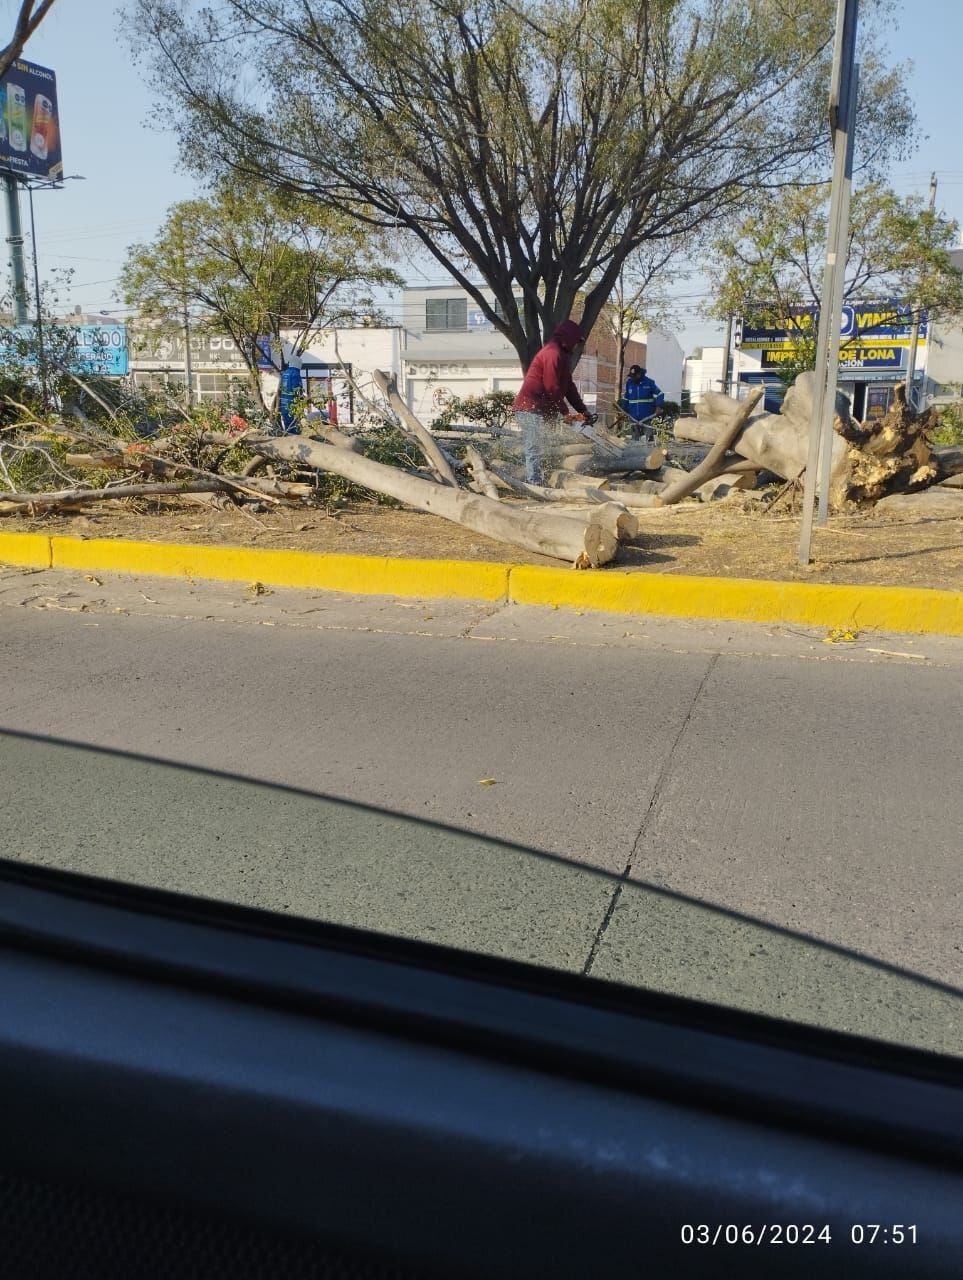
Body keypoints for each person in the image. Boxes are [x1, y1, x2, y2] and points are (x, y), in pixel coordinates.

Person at [512, 320, 596, 484]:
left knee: (546, 444)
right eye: (576, 342)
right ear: (569, 338)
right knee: (534, 445)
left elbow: (568, 387)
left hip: (543, 408)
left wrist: (582, 410)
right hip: (529, 406)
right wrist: (565, 412)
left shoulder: (562, 355)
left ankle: (544, 477)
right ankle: (534, 483)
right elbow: (552, 386)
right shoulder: (552, 353)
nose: (576, 346)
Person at [620, 365, 664, 442]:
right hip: (633, 417)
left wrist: (658, 406)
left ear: (639, 374)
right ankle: (635, 453)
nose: (632, 378)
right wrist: (623, 410)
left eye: (634, 376)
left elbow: (660, 394)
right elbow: (626, 398)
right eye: (631, 376)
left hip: (647, 416)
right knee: (634, 440)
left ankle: (650, 453)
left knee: (648, 439)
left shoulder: (649, 382)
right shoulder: (629, 383)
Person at [278, 355, 304, 434]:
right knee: (294, 427)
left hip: (284, 404)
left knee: (287, 426)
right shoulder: (295, 374)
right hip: (293, 404)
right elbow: (298, 390)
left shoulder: (285, 373)